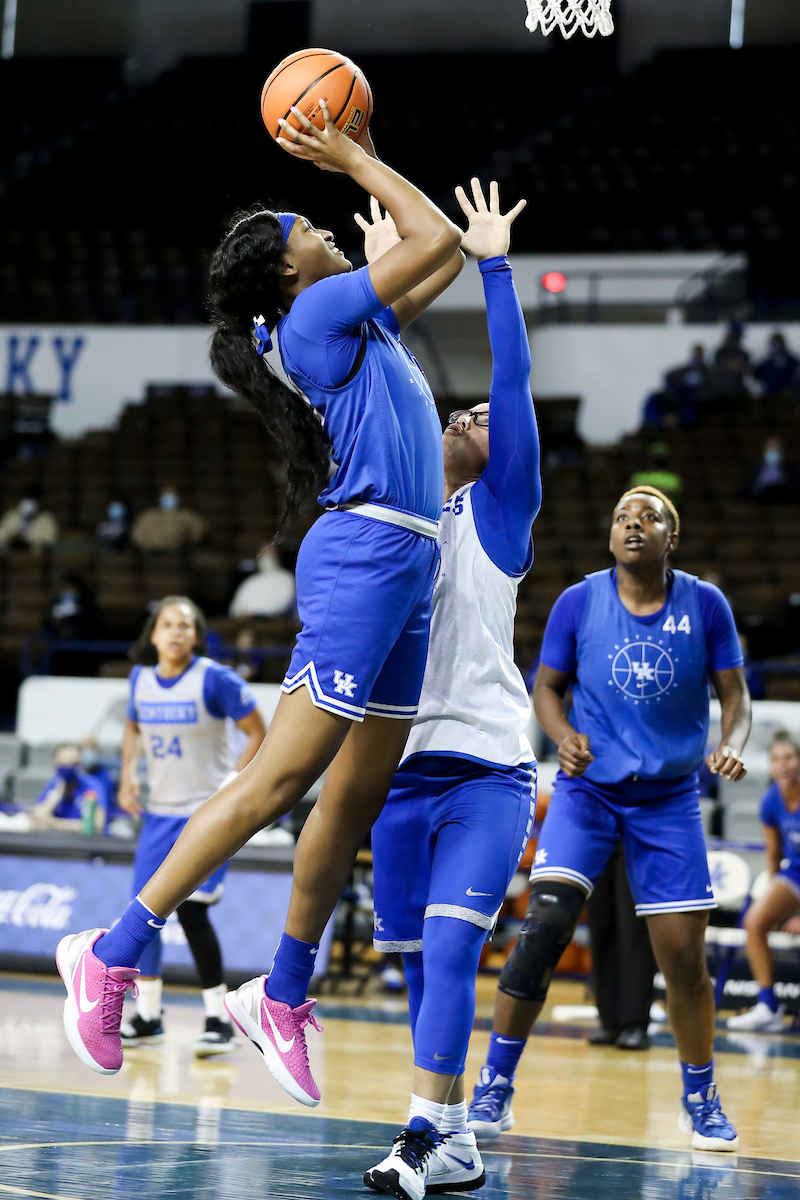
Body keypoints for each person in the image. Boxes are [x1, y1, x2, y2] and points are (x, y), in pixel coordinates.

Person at [55, 103, 463, 1093]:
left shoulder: (347, 317)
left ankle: (278, 993)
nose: (324, 231)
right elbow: (437, 236)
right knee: (278, 782)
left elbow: (441, 262)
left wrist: (393, 228)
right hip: (365, 554)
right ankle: (109, 953)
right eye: (307, 233)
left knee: (355, 793)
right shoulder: (317, 314)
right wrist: (357, 159)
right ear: (287, 274)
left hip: (408, 563)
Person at [468, 485, 751, 1154]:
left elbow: (735, 695)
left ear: (669, 538)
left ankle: (700, 1096)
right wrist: (560, 732)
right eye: (623, 515)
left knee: (682, 960)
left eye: (649, 516)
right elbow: (545, 687)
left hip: (669, 796)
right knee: (545, 929)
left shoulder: (705, 605)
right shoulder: (578, 601)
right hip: (586, 794)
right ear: (611, 536)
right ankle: (494, 1084)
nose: (633, 523)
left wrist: (732, 746)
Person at [364, 179, 537, 1200]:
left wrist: (492, 266)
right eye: (456, 408)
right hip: (394, 771)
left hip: (482, 765)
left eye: (479, 416)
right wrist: (384, 284)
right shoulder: (395, 509)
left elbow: (508, 384)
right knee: (419, 970)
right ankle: (460, 1135)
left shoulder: (498, 513)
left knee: (446, 948)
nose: (472, 413)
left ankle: (423, 1135)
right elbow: (374, 383)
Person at [115, 596, 266, 1057]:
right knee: (145, 915)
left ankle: (218, 1020)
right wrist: (127, 776)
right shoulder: (140, 679)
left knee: (193, 910)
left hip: (205, 813)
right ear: (154, 634)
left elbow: (259, 731)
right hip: (159, 812)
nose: (176, 632)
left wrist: (233, 785)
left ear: (196, 635)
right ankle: (148, 1017)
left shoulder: (213, 678)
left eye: (185, 625)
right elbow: (132, 728)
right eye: (167, 624)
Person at [727, 731, 800, 1032]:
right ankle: (768, 1005)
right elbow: (773, 857)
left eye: (789, 758)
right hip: (794, 875)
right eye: (775, 759)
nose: (782, 764)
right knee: (754, 921)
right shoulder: (770, 801)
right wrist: (773, 900)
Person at [585, 840, 656, 1050]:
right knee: (600, 926)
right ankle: (608, 1021)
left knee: (633, 929)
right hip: (599, 831)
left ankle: (635, 1023)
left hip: (635, 831)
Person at [29, 744, 108, 833]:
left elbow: (96, 826)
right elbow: (35, 819)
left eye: (73, 762)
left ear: (80, 763)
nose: (68, 767)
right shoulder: (54, 784)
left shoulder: (92, 786)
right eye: (63, 762)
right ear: (54, 763)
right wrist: (57, 794)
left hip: (85, 843)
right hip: (56, 842)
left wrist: (53, 823)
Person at [131, 485, 206, 553]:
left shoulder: (187, 515)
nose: (169, 499)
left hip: (178, 555)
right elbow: (137, 536)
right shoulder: (148, 516)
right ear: (160, 498)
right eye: (166, 496)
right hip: (151, 555)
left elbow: (198, 534)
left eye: (172, 496)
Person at [228, 545, 296, 617]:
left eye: (270, 553)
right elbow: (235, 608)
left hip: (270, 621)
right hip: (245, 621)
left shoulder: (286, 578)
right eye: (263, 553)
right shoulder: (251, 580)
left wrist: (253, 612)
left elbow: (282, 605)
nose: (266, 557)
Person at [738, 435, 800, 505]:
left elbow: (794, 490)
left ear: (782, 450)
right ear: (764, 449)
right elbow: (745, 490)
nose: (772, 450)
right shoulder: (753, 468)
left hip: (782, 502)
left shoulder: (790, 469)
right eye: (770, 448)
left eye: (776, 448)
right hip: (758, 501)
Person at [0, 485, 58, 552]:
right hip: (10, 551)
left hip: (33, 554)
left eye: (31, 501)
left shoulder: (46, 519)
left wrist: (27, 540)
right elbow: (1, 534)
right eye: (25, 500)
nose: (28, 504)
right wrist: (11, 536)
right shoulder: (12, 515)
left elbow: (50, 540)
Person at [753, 333, 800, 398]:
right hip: (770, 396)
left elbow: (796, 376)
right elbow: (756, 374)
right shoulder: (767, 362)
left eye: (777, 345)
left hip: (787, 397)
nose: (775, 348)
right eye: (773, 345)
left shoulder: (791, 361)